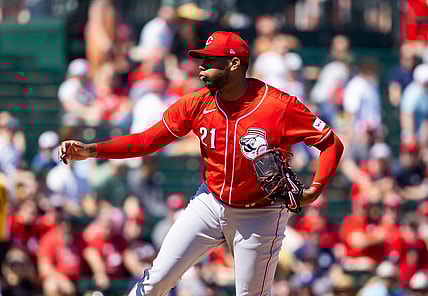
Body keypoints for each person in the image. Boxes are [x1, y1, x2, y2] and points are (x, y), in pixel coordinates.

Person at [58, 31, 344, 296]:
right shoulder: (197, 104)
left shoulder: (278, 106)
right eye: (202, 60)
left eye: (209, 60)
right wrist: (92, 149)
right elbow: (146, 141)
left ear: (234, 64)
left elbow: (331, 142)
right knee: (158, 278)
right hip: (210, 201)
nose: (201, 66)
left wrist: (316, 189)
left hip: (260, 213)